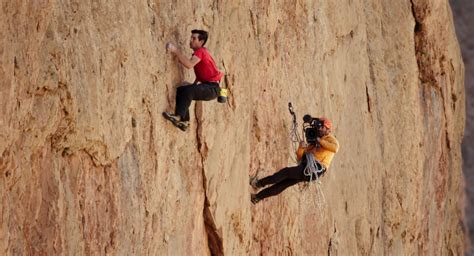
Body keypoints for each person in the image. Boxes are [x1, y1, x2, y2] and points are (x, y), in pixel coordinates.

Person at [250, 117, 339, 204]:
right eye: (319, 127)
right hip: (306, 167)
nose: (319, 129)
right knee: (283, 184)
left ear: (328, 130)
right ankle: (257, 197)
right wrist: (301, 147)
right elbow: (300, 157)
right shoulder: (314, 143)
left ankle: (258, 184)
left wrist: (319, 141)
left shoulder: (331, 140)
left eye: (322, 127)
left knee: (285, 173)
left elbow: (335, 148)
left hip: (314, 169)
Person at [163, 29, 223, 131]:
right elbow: (202, 75)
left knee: (188, 90)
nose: (190, 40)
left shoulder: (201, 51)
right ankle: (184, 122)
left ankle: (179, 116)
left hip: (213, 88)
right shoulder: (199, 54)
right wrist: (192, 84)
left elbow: (189, 65)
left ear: (201, 42)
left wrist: (176, 51)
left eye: (194, 38)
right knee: (182, 89)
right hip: (209, 87)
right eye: (191, 37)